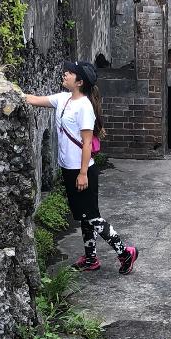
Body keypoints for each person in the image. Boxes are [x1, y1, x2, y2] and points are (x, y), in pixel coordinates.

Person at [23, 61, 138, 275]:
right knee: (84, 217)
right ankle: (91, 259)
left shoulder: (85, 106)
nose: (65, 74)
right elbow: (32, 100)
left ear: (80, 81)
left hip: (82, 170)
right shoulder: (63, 99)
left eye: (70, 73)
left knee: (92, 217)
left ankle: (125, 253)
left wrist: (83, 173)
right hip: (69, 168)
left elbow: (86, 143)